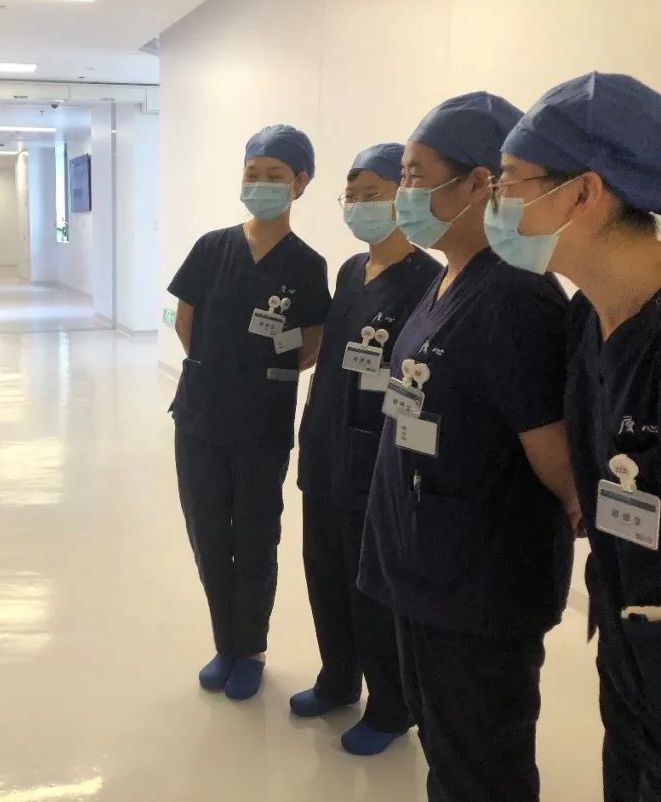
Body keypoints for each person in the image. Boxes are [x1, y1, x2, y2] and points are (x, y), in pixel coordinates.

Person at [356, 93, 580, 801]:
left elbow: (557, 463)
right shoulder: (447, 278)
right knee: (446, 754)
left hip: (478, 586)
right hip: (423, 564)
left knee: (482, 769)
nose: (405, 194)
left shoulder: (517, 297)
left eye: (416, 176)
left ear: (480, 183)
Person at [488, 71, 661, 801]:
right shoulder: (586, 320)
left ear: (585, 193)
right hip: (627, 644)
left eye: (510, 182)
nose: (497, 202)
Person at [169, 125, 330, 701]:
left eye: (275, 175)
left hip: (263, 423)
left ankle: (252, 648)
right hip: (200, 419)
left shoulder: (307, 264)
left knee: (257, 538)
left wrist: (254, 377)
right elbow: (186, 322)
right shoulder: (211, 248)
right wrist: (222, 373)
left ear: (300, 183)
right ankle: (226, 644)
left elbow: (310, 344)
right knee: (210, 536)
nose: (260, 184)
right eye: (252, 173)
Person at [292, 143, 441, 756]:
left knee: (371, 588)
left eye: (371, 193)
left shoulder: (428, 280)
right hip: (325, 448)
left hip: (377, 459)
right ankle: (337, 679)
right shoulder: (351, 270)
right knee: (323, 573)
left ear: (404, 198)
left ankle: (389, 706)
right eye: (350, 195)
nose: (358, 205)